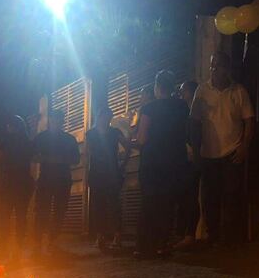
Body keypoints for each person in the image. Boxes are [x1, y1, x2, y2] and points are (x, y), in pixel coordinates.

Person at [190, 52, 255, 247]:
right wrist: (194, 148)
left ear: (227, 68)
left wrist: (244, 146)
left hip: (231, 152)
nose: (213, 69)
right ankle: (213, 235)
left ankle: (230, 238)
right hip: (208, 153)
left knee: (232, 196)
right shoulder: (202, 91)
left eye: (217, 65)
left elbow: (249, 121)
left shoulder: (238, 92)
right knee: (209, 198)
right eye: (212, 65)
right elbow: (193, 122)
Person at [135, 70, 189, 258]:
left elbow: (142, 138)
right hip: (174, 162)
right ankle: (161, 244)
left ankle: (143, 247)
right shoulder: (182, 107)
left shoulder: (148, 109)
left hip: (152, 163)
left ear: (157, 87)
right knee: (167, 204)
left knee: (149, 203)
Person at [31, 109, 80, 253]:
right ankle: (38, 243)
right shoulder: (41, 138)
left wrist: (51, 159)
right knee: (41, 210)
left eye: (59, 119)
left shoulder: (69, 139)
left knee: (59, 211)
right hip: (46, 179)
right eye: (54, 119)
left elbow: (76, 159)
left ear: (62, 121)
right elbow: (33, 156)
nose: (57, 122)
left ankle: (52, 241)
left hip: (63, 180)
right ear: (50, 120)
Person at [85, 107, 130, 252]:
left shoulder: (114, 132)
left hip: (112, 173)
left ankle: (117, 235)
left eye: (109, 118)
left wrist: (123, 164)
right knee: (98, 206)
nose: (106, 120)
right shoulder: (90, 134)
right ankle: (101, 236)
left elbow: (127, 147)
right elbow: (88, 155)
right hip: (97, 174)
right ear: (99, 117)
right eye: (105, 117)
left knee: (114, 205)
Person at [0, 115, 33, 262]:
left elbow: (0, 159)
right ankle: (17, 245)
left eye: (9, 126)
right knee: (21, 216)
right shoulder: (26, 141)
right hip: (23, 183)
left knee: (5, 216)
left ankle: (4, 245)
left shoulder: (6, 141)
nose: (7, 128)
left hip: (10, 182)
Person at [175, 80, 200, 249]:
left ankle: (190, 234)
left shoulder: (197, 112)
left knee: (191, 197)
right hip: (185, 160)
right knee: (184, 197)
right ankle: (184, 234)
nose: (181, 94)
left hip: (195, 160)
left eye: (183, 91)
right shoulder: (184, 112)